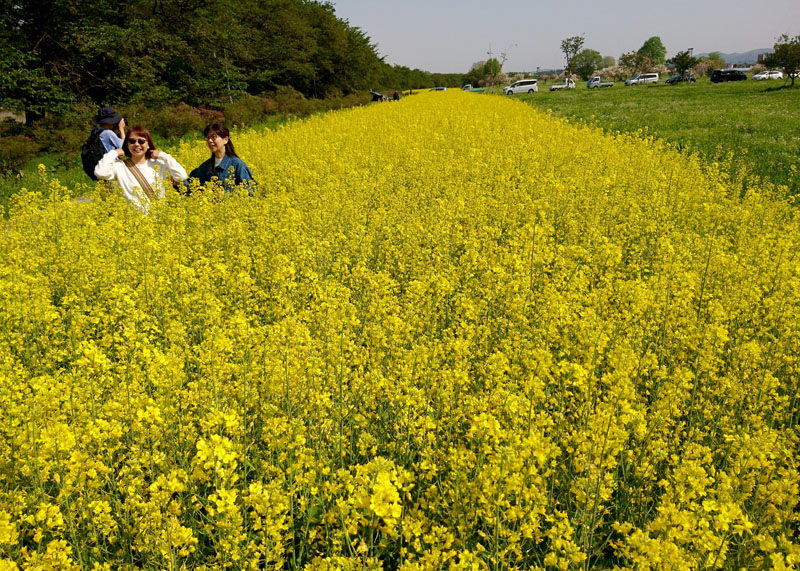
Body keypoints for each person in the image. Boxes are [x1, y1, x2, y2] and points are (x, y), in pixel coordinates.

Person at [94, 126, 187, 213]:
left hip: (157, 222)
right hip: (130, 223)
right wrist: (114, 153)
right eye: (132, 141)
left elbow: (181, 176)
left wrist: (163, 156)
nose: (136, 144)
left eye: (141, 141)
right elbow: (100, 172)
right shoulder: (119, 167)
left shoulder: (159, 165)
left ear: (148, 145)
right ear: (127, 144)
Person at [185, 123, 254, 195]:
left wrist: (226, 194)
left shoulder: (237, 164)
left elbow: (251, 189)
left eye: (214, 137)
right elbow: (191, 185)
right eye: (208, 138)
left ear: (225, 140)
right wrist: (179, 183)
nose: (210, 141)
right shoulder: (206, 166)